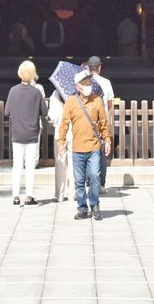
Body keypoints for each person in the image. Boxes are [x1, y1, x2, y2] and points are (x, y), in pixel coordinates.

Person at [58, 69, 110, 220]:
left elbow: (104, 122)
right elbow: (64, 124)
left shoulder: (97, 100)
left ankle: (94, 204)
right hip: (78, 148)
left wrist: (107, 139)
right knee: (79, 180)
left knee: (95, 176)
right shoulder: (71, 102)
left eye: (89, 82)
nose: (89, 85)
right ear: (78, 86)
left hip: (94, 146)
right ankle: (82, 207)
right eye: (86, 83)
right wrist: (61, 142)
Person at [6, 59, 45, 206]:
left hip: (17, 133)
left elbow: (7, 111)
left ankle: (15, 196)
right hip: (32, 133)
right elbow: (44, 111)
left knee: (17, 165)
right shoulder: (36, 92)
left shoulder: (13, 91)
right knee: (29, 166)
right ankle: (29, 196)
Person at [85, 54, 115, 190]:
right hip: (101, 120)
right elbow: (110, 104)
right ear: (100, 67)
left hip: (87, 120)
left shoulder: (84, 82)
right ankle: (101, 183)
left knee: (86, 151)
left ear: (88, 67)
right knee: (102, 153)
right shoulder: (106, 82)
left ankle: (88, 181)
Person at [48, 84, 70, 203]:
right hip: (73, 131)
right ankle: (73, 193)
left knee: (60, 163)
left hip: (60, 131)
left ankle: (60, 194)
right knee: (73, 163)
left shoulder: (55, 95)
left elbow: (53, 116)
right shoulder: (76, 95)